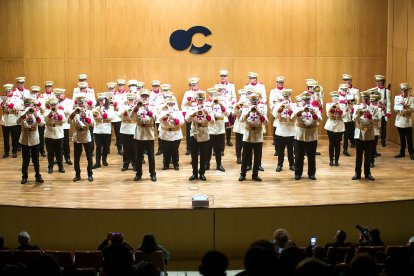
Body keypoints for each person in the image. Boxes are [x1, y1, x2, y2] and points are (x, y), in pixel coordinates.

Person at [292, 91, 322, 180]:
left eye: (308, 99)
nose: (306, 101)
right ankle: (298, 173)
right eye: (304, 100)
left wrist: (313, 113)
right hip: (300, 134)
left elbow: (320, 120)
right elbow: (292, 118)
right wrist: (300, 112)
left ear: (310, 99)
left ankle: (311, 173)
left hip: (311, 135)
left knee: (312, 156)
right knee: (298, 155)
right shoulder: (297, 108)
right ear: (301, 100)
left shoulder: (315, 109)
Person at [185, 90, 215, 181]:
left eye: (202, 100)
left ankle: (202, 173)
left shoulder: (208, 108)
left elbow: (213, 122)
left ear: (204, 100)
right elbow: (187, 119)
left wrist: (207, 113)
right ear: (196, 100)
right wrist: (194, 112)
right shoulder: (192, 108)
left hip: (204, 133)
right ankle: (194, 173)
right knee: (194, 155)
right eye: (198, 100)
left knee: (203, 155)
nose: (200, 101)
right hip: (194, 133)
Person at [239, 93, 267, 182]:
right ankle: (243, 174)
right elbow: (241, 120)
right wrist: (248, 111)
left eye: (255, 101)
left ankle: (255, 174)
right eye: (252, 101)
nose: (254, 103)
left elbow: (266, 122)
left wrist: (259, 113)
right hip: (248, 135)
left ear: (257, 101)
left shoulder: (261, 109)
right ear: (250, 102)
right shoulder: (245, 109)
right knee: (245, 156)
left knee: (257, 156)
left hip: (258, 135)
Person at [352, 91, 380, 181]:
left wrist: (370, 116)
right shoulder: (357, 107)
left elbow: (377, 120)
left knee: (367, 155)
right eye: (363, 98)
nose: (365, 99)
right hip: (359, 133)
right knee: (358, 155)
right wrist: (358, 113)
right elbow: (353, 119)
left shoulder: (374, 108)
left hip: (369, 133)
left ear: (369, 99)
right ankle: (357, 173)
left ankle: (368, 173)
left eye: (366, 98)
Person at [131, 89, 157, 182]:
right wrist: (137, 108)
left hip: (149, 133)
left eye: (146, 96)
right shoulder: (137, 106)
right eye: (143, 96)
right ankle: (138, 174)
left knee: (151, 156)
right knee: (138, 156)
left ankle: (153, 174)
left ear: (148, 97)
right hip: (139, 133)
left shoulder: (152, 106)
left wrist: (147, 108)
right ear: (140, 97)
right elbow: (131, 117)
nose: (144, 98)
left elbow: (155, 117)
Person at [17, 96, 45, 184]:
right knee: (25, 160)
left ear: (33, 104)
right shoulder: (21, 112)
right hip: (24, 139)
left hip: (34, 139)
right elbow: (17, 122)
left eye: (31, 104)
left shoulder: (37, 112)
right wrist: (24, 113)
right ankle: (24, 176)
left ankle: (37, 176)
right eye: (27, 104)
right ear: (24, 105)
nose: (29, 106)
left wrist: (36, 115)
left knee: (36, 159)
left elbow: (41, 124)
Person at [69, 93, 94, 182]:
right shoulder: (74, 112)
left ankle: (90, 174)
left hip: (86, 134)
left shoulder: (89, 112)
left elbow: (92, 124)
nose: (81, 105)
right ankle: (77, 174)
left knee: (89, 156)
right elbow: (69, 121)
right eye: (79, 103)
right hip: (77, 135)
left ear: (85, 103)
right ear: (77, 104)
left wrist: (86, 117)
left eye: (82, 103)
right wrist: (74, 113)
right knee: (76, 157)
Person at [205, 87, 229, 172]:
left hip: (220, 129)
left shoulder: (222, 103)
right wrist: (211, 106)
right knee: (208, 148)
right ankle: (206, 164)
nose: (213, 97)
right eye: (212, 95)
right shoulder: (207, 103)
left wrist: (221, 105)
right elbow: (206, 114)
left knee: (218, 149)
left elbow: (227, 113)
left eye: (215, 95)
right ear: (209, 96)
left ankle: (219, 164)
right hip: (210, 129)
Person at [273, 88, 296, 172]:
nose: (286, 98)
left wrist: (290, 109)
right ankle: (280, 164)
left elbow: (295, 116)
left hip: (290, 130)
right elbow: (275, 115)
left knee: (290, 149)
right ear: (283, 96)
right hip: (281, 130)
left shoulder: (294, 105)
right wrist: (281, 108)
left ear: (290, 96)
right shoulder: (278, 105)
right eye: (285, 96)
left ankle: (291, 164)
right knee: (280, 149)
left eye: (288, 96)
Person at [158, 96, 184, 170]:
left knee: (175, 150)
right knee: (166, 150)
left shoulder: (178, 112)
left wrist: (174, 119)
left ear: (174, 104)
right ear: (167, 104)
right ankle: (166, 164)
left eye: (172, 104)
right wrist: (166, 116)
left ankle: (176, 164)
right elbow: (161, 121)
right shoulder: (163, 112)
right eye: (169, 104)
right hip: (165, 133)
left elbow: (181, 122)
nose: (171, 106)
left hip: (176, 134)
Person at [44, 97, 66, 174]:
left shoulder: (61, 111)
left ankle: (61, 167)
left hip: (58, 133)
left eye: (55, 104)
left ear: (57, 104)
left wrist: (57, 113)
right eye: (52, 104)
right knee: (50, 152)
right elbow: (45, 120)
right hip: (49, 133)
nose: (54, 106)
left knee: (59, 152)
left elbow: (63, 120)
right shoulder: (46, 111)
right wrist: (50, 113)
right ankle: (50, 167)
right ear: (50, 105)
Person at [92, 93, 114, 169]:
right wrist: (96, 115)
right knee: (98, 146)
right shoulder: (96, 108)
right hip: (97, 129)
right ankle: (97, 162)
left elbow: (111, 117)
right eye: (100, 100)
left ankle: (104, 160)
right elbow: (93, 117)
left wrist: (103, 114)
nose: (101, 101)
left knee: (105, 146)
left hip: (106, 130)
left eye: (102, 100)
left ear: (105, 100)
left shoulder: (110, 108)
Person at [324, 91, 346, 166]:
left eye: (336, 97)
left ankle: (336, 160)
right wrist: (333, 106)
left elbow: (344, 115)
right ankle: (331, 160)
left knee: (338, 144)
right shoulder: (328, 104)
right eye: (334, 97)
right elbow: (328, 114)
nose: (335, 99)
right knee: (331, 143)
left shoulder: (342, 105)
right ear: (331, 98)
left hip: (340, 126)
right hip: (331, 126)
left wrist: (339, 109)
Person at [182, 77, 201, 155]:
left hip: (198, 114)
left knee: (199, 131)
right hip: (189, 114)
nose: (193, 86)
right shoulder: (187, 93)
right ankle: (189, 148)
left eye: (194, 84)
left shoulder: (202, 92)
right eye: (191, 85)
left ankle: (199, 149)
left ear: (197, 84)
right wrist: (185, 114)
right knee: (188, 131)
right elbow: (183, 105)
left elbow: (203, 104)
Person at [394, 82, 414, 160]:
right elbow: (395, 108)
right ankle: (402, 152)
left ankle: (411, 153)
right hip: (399, 120)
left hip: (407, 120)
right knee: (401, 138)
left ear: (408, 90)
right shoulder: (397, 97)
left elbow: (413, 109)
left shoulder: (412, 98)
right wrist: (400, 106)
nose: (404, 91)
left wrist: (404, 107)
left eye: (406, 90)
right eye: (403, 90)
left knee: (409, 138)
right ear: (401, 90)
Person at [1, 84, 21, 158]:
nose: (7, 92)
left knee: (14, 137)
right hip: (5, 119)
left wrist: (10, 104)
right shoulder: (2, 97)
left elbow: (19, 106)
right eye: (6, 91)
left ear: (12, 90)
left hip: (13, 119)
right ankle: (6, 152)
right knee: (6, 138)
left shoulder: (16, 98)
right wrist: (2, 104)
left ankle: (14, 151)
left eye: (8, 91)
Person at [217, 69, 236, 147]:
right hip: (220, 107)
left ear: (227, 77)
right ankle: (220, 140)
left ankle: (228, 140)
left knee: (228, 124)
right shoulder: (217, 86)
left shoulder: (231, 85)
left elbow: (233, 96)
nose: (223, 77)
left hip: (228, 107)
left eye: (224, 76)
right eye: (222, 76)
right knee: (220, 123)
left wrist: (233, 106)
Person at [341, 74, 360, 152]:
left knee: (351, 128)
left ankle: (352, 141)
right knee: (345, 129)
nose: (345, 82)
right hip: (344, 112)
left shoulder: (355, 90)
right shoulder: (341, 89)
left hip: (352, 111)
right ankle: (345, 145)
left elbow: (357, 101)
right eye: (344, 80)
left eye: (347, 80)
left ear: (350, 80)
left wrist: (353, 109)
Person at [54, 88, 73, 165]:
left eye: (60, 95)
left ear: (63, 94)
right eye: (57, 95)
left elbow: (69, 111)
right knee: (57, 143)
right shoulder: (54, 102)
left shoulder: (68, 101)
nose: (59, 96)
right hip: (57, 125)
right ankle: (58, 158)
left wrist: (61, 110)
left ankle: (67, 157)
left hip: (65, 125)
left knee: (65, 142)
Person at [120, 93, 137, 171]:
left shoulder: (136, 107)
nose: (131, 101)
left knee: (134, 148)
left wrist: (133, 110)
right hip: (125, 129)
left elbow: (138, 117)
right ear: (127, 99)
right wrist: (126, 111)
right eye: (129, 100)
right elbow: (119, 115)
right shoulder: (123, 106)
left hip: (133, 129)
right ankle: (125, 164)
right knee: (126, 148)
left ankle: (134, 164)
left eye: (132, 100)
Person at [373, 74, 391, 147]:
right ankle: (374, 140)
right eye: (377, 81)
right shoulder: (374, 90)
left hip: (383, 111)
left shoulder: (387, 91)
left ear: (382, 81)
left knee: (383, 127)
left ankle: (383, 140)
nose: (377, 82)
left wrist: (388, 112)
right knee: (376, 126)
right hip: (376, 111)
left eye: (379, 81)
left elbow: (389, 102)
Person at [269, 76, 286, 155]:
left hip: (284, 114)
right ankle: (276, 150)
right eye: (279, 82)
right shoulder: (273, 91)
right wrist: (275, 109)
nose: (280, 84)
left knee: (283, 133)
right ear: (276, 83)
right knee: (276, 132)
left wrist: (279, 102)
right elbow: (271, 102)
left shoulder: (286, 91)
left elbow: (288, 102)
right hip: (276, 112)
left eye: (281, 82)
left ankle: (282, 149)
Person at [233, 89, 249, 164]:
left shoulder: (248, 104)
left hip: (246, 125)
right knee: (238, 142)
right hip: (239, 125)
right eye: (241, 95)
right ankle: (238, 156)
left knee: (245, 142)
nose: (243, 97)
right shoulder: (237, 105)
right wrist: (238, 106)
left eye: (244, 95)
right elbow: (235, 112)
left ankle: (245, 157)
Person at [149, 80, 164, 156]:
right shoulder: (149, 93)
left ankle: (161, 149)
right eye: (154, 86)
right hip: (151, 115)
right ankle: (148, 149)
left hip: (160, 116)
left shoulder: (163, 94)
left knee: (160, 132)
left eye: (157, 86)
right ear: (152, 86)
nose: (155, 87)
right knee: (149, 132)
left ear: (159, 86)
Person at [30, 85, 47, 157]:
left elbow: (43, 109)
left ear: (39, 92)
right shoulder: (29, 99)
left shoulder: (42, 99)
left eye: (37, 92)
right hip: (31, 119)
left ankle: (42, 151)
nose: (35, 93)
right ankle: (32, 151)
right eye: (34, 92)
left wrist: (38, 103)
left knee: (41, 135)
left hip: (40, 118)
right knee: (31, 135)